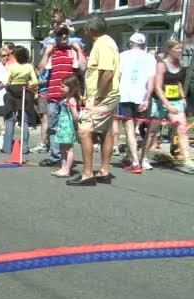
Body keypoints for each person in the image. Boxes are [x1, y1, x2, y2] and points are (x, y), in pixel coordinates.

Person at [67, 17, 120, 186]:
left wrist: (98, 96)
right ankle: (104, 171)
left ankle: (87, 174)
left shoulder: (103, 44)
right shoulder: (107, 42)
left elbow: (108, 73)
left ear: (90, 29)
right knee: (106, 132)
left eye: (85, 29)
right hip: (107, 95)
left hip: (103, 97)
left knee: (84, 131)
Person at [143, 40, 194, 173]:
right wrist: (167, 105)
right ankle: (143, 157)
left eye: (180, 49)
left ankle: (187, 159)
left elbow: (178, 82)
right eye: (177, 49)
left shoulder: (179, 63)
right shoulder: (162, 64)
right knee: (152, 131)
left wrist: (182, 97)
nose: (180, 51)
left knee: (182, 129)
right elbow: (158, 88)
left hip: (175, 99)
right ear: (170, 50)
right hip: (160, 101)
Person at [37, 26, 80, 167]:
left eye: (65, 35)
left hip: (67, 96)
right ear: (56, 37)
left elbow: (83, 67)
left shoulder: (71, 51)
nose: (63, 37)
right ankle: (56, 157)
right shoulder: (52, 52)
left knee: (67, 126)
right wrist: (47, 53)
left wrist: (79, 50)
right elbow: (41, 69)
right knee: (53, 126)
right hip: (53, 94)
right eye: (60, 35)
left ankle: (66, 157)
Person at [116, 32, 157, 174]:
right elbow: (151, 80)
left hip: (126, 95)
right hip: (141, 96)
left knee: (129, 129)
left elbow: (118, 76)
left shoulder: (123, 55)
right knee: (141, 128)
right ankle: (138, 157)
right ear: (143, 44)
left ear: (131, 42)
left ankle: (135, 161)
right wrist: (147, 98)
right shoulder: (150, 58)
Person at [0, 46, 38, 154]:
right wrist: (28, 84)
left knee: (10, 120)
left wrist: (4, 84)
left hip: (12, 93)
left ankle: (7, 147)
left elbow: (6, 81)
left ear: (16, 56)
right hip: (25, 92)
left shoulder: (11, 67)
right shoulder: (29, 67)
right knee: (25, 121)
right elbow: (34, 81)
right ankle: (25, 148)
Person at [51, 75, 80, 177]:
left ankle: (67, 169)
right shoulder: (65, 98)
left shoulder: (71, 100)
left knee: (68, 149)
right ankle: (63, 167)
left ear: (71, 88)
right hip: (62, 126)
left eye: (63, 86)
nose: (60, 88)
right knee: (62, 148)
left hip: (68, 127)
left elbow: (75, 115)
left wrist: (77, 127)